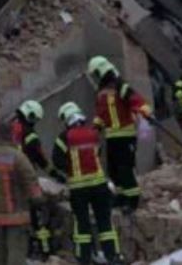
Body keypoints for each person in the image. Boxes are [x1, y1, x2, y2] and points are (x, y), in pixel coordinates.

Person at [52, 102, 125, 265]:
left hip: (79, 189)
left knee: (82, 224)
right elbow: (97, 154)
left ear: (67, 118)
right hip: (99, 185)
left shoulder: (65, 137)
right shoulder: (93, 133)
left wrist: (68, 170)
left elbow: (57, 160)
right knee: (105, 221)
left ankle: (83, 258)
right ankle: (113, 255)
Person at [0, 116, 44, 265]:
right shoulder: (18, 157)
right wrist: (38, 201)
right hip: (16, 215)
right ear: (11, 135)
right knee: (16, 251)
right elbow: (31, 181)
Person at [88, 55, 152, 211]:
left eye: (96, 74)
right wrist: (95, 127)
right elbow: (101, 114)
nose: (96, 78)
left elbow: (135, 99)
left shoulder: (120, 85)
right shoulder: (101, 93)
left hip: (126, 135)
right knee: (114, 170)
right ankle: (121, 196)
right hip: (111, 137)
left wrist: (143, 110)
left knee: (125, 170)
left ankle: (133, 200)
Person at [9, 100, 59, 259]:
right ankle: (44, 250)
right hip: (27, 177)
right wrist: (55, 173)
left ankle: (24, 249)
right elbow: (40, 157)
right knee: (37, 213)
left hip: (8, 178)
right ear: (30, 116)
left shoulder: (8, 128)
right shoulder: (29, 134)